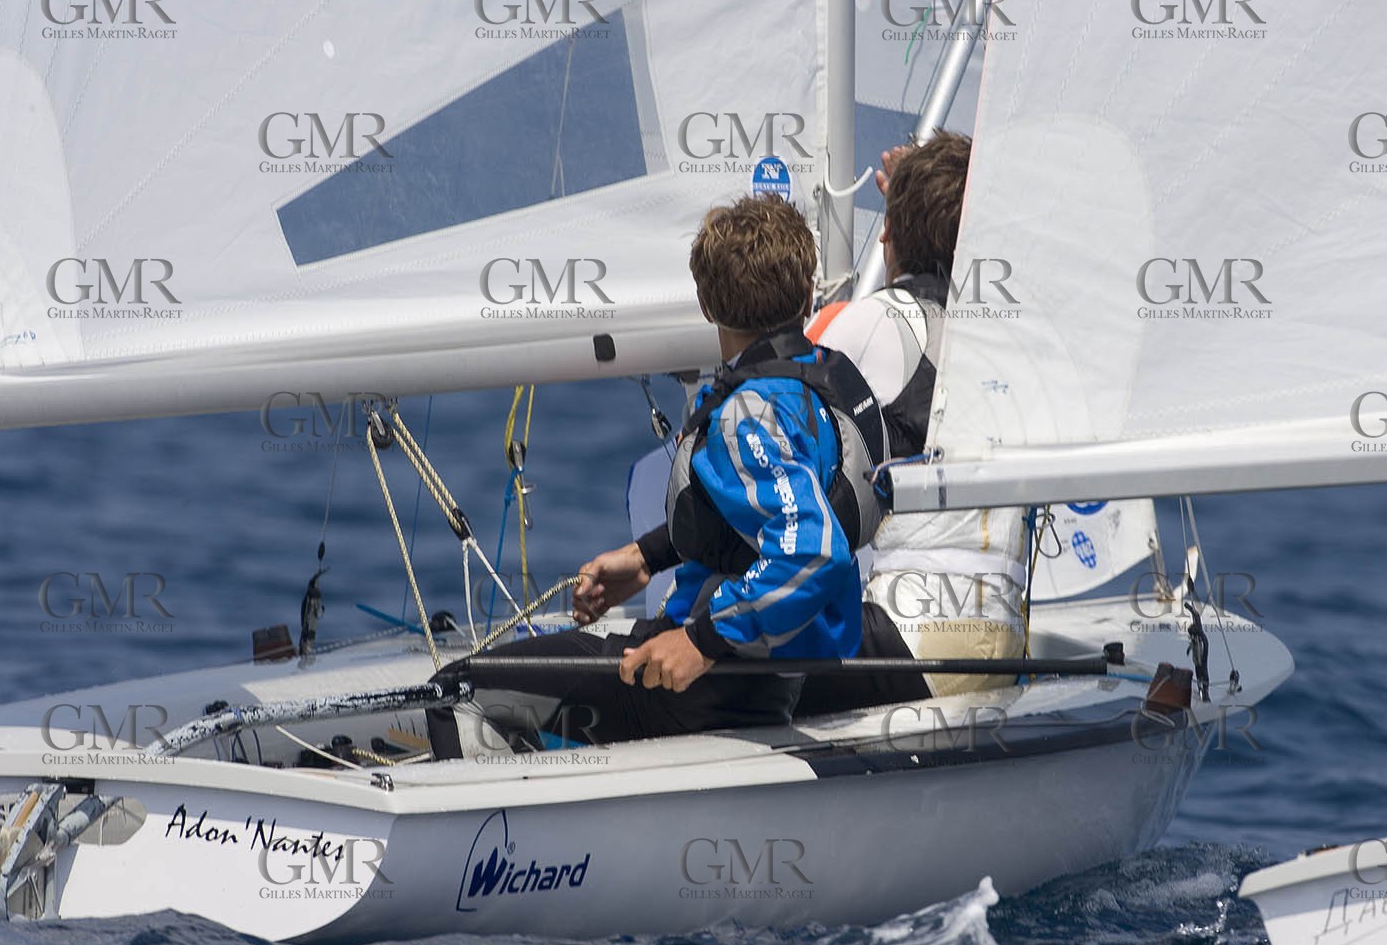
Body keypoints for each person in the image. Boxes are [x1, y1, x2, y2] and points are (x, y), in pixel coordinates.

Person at [426, 195, 886, 755]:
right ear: (809, 291)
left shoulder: (748, 413)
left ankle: (504, 841)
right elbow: (755, 520)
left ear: (706, 303)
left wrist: (701, 641)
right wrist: (648, 557)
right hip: (766, 679)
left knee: (457, 691)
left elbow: (812, 552)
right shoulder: (813, 389)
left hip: (704, 688)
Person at [796, 131, 1029, 715]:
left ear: (895, 236)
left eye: (887, 226)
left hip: (915, 639)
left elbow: (774, 370)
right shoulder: (1016, 329)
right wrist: (923, 204)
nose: (879, 236)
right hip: (1001, 639)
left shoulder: (868, 324)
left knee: (714, 649)